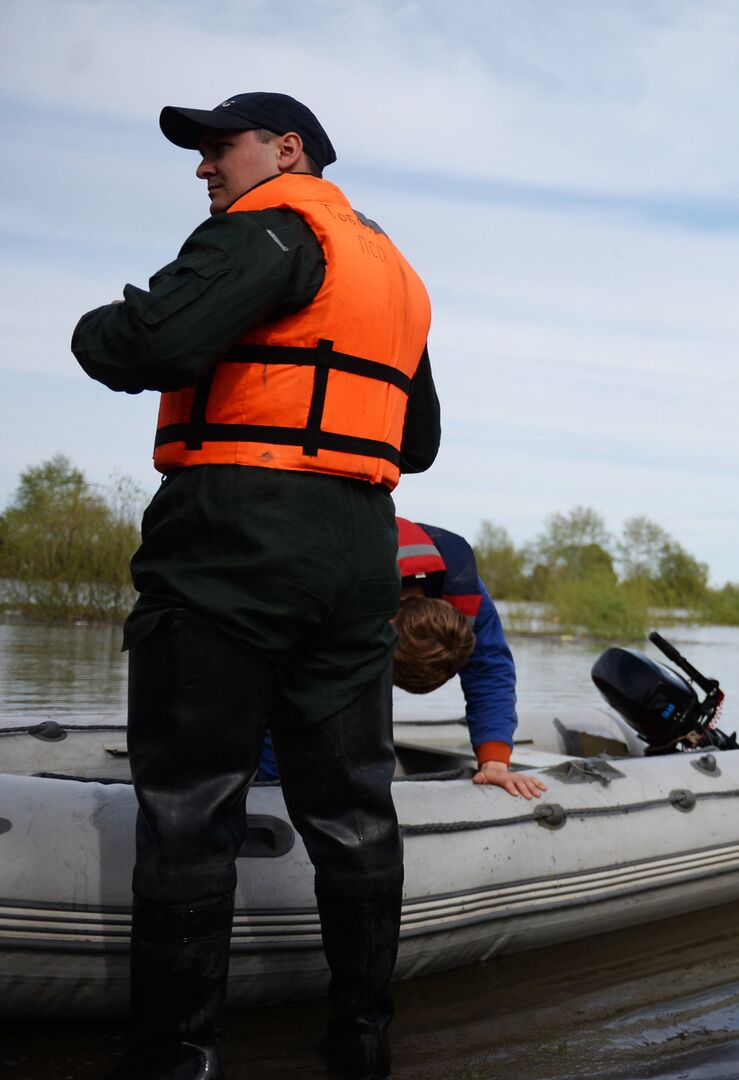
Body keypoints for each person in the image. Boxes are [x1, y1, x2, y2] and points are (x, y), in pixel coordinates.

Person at [71, 92, 435, 1080]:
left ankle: (176, 1064)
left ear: (287, 150)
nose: (202, 168)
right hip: (358, 548)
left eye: (215, 147)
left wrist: (99, 325)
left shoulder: (265, 232)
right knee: (354, 807)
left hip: (236, 535)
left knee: (191, 806)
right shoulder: (391, 269)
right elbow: (421, 439)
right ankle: (361, 1045)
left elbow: (145, 345)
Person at [257, 517, 547, 800]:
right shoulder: (336, 591)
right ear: (386, 628)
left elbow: (491, 672)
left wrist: (494, 761)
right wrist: (270, 789)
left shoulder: (462, 591)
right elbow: (283, 691)